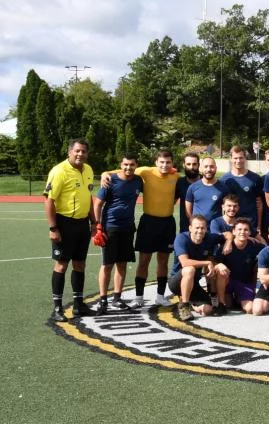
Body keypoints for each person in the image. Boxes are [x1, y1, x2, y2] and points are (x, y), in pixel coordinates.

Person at [104, 149, 180, 308]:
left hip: (167, 223)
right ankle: (139, 297)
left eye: (168, 162)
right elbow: (125, 169)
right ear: (156, 162)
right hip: (148, 223)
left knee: (163, 262)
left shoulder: (175, 176)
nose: (165, 165)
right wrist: (106, 172)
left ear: (173, 163)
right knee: (144, 260)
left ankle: (160, 296)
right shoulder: (145, 172)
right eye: (162, 162)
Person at [44, 138, 98, 321]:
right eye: (77, 151)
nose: (80, 154)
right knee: (61, 264)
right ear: (69, 152)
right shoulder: (59, 171)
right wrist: (53, 227)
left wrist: (93, 222)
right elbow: (49, 200)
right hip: (64, 223)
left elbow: (88, 196)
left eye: (83, 151)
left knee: (80, 264)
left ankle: (78, 305)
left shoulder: (89, 170)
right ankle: (57, 308)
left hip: (82, 224)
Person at [92, 153, 143, 314]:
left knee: (122, 264)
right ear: (121, 165)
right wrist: (97, 225)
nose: (128, 167)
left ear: (136, 166)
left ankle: (117, 298)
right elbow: (98, 204)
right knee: (107, 265)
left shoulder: (138, 181)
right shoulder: (110, 180)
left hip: (128, 228)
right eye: (126, 164)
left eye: (132, 165)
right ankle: (103, 300)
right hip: (110, 227)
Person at [168, 215, 222, 321]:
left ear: (206, 229)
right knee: (190, 269)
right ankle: (184, 306)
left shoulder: (209, 238)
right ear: (190, 228)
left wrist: (229, 242)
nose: (200, 231)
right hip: (176, 282)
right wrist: (207, 263)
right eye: (197, 228)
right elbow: (184, 262)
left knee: (208, 309)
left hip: (194, 284)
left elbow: (227, 235)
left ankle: (193, 305)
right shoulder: (181, 238)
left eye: (202, 228)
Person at [214, 217, 263, 314]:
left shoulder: (254, 245)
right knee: (221, 270)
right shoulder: (226, 246)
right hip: (228, 281)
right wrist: (219, 265)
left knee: (250, 309)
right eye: (239, 229)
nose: (242, 232)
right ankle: (221, 304)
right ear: (234, 232)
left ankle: (238, 298)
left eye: (246, 230)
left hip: (244, 283)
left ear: (249, 233)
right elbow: (214, 262)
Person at [220, 145, 264, 237]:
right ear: (231, 159)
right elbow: (222, 205)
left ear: (245, 159)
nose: (238, 161)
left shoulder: (255, 178)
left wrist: (259, 225)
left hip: (251, 224)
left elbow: (259, 204)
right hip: (231, 225)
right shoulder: (224, 180)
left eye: (241, 158)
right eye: (235, 158)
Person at [185, 156, 226, 225]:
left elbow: (227, 209)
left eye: (212, 166)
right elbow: (188, 210)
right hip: (198, 229)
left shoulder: (223, 188)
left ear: (216, 168)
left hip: (215, 229)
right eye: (206, 166)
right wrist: (194, 223)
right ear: (200, 169)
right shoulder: (193, 187)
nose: (209, 169)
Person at [175, 152, 202, 234]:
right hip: (185, 228)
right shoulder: (179, 182)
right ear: (184, 165)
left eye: (194, 164)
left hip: (204, 228)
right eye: (188, 164)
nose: (191, 167)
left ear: (198, 165)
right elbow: (172, 201)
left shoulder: (207, 181)